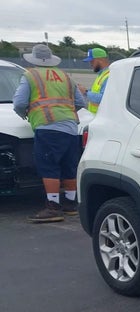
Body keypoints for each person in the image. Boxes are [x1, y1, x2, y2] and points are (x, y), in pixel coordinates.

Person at [12, 43, 86, 223]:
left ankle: (53, 207)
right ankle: (70, 205)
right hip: (70, 127)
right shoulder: (65, 76)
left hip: (47, 127)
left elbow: (19, 103)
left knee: (49, 166)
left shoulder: (31, 75)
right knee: (69, 166)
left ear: (34, 59)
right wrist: (64, 112)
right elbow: (80, 102)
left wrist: (26, 114)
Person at [79, 47, 110, 114]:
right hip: (97, 115)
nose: (90, 64)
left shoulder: (108, 76)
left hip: (102, 116)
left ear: (101, 60)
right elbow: (96, 91)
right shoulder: (102, 74)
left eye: (92, 61)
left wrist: (85, 92)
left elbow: (103, 98)